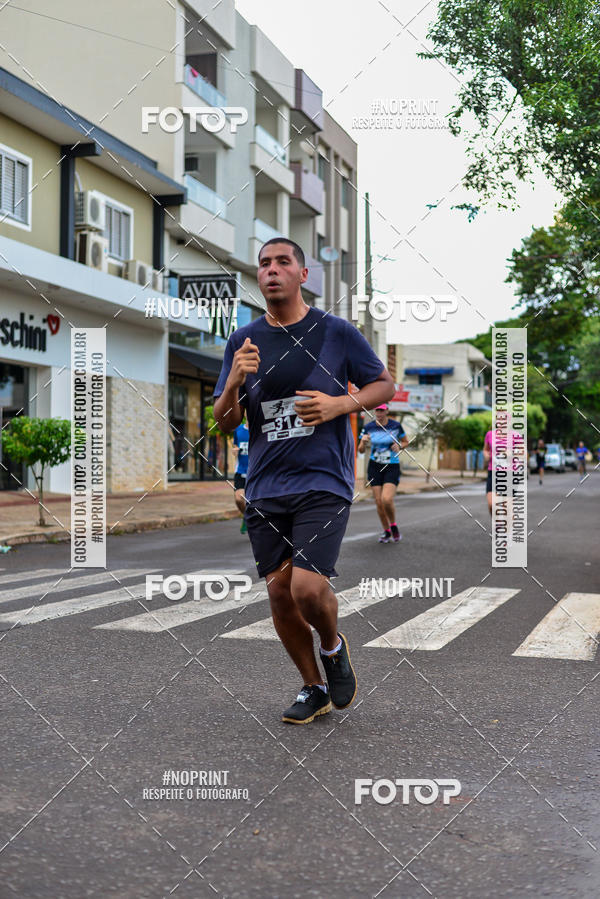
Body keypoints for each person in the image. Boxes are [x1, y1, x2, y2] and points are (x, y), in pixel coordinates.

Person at [213, 238, 394, 724]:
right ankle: (312, 686)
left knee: (307, 591)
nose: (271, 270)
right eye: (264, 264)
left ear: (302, 274)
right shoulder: (243, 341)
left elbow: (384, 385)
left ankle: (333, 647)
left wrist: (338, 404)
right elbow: (225, 421)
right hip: (266, 486)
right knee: (278, 593)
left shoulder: (335, 331)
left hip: (323, 481)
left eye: (282, 262)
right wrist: (232, 383)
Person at [357, 404, 408, 542]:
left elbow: (405, 442)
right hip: (375, 466)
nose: (379, 412)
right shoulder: (368, 427)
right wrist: (362, 442)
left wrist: (399, 446)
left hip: (391, 466)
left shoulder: (395, 426)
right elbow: (360, 450)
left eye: (382, 410)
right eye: (377, 410)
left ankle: (393, 525)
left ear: (387, 411)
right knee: (379, 502)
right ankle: (386, 531)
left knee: (386, 499)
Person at [232, 420, 249, 533]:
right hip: (241, 471)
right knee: (239, 499)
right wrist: (234, 451)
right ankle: (246, 517)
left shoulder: (260, 429)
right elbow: (235, 446)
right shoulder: (238, 430)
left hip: (256, 471)